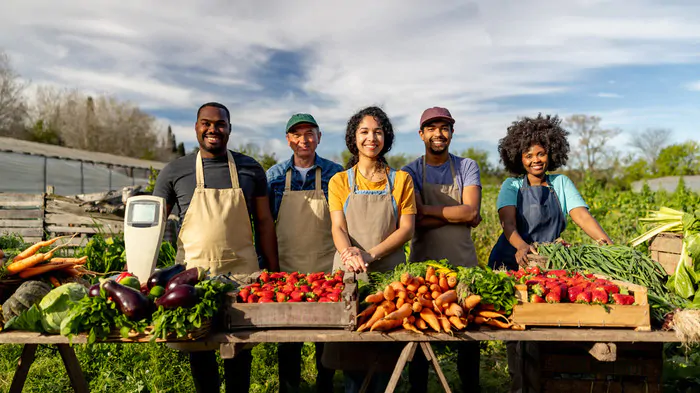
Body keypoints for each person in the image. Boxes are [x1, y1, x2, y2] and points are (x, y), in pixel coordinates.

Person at [153, 102, 279, 393]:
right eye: (206, 123)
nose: (213, 129)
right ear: (196, 127)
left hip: (243, 276)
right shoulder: (175, 171)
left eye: (220, 124)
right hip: (193, 278)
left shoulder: (250, 169)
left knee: (240, 349)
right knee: (199, 349)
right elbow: (152, 222)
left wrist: (273, 270)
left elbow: (264, 223)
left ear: (229, 129)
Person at [487, 113, 612, 393]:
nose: (535, 160)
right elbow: (508, 223)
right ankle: (521, 387)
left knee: (546, 325)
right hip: (513, 262)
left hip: (548, 266)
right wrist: (521, 246)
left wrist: (606, 241)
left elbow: (581, 216)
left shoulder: (561, 184)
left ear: (550, 153)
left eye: (541, 153)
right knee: (518, 331)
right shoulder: (512, 186)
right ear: (518, 157)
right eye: (528, 155)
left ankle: (547, 383)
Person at [322, 106, 416, 393]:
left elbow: (406, 229)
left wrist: (371, 254)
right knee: (352, 348)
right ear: (354, 138)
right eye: (364, 131)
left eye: (377, 132)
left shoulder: (401, 180)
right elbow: (338, 227)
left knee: (388, 345)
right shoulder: (339, 181)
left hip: (389, 275)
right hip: (351, 274)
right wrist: (350, 253)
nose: (371, 138)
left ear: (386, 138)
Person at [402, 107, 482, 393]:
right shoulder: (409, 172)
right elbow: (413, 223)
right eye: (432, 128)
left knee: (469, 330)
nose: (439, 134)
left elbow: (472, 212)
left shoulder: (466, 166)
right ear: (422, 134)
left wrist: (428, 211)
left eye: (444, 128)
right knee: (420, 328)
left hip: (463, 263)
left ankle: (470, 386)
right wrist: (454, 214)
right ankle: (418, 387)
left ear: (451, 132)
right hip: (424, 268)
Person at [266, 113, 343, 393]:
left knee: (327, 339)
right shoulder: (274, 177)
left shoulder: (335, 174)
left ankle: (325, 386)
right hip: (287, 273)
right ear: (288, 140)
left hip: (326, 270)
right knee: (288, 340)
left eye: (309, 133)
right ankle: (289, 387)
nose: (303, 140)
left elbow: (343, 222)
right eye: (296, 134)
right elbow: (265, 224)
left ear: (319, 137)